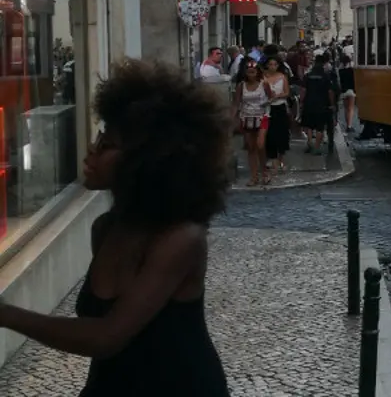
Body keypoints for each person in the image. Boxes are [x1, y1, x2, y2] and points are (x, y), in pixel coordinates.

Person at [0, 60, 231, 395]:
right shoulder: (105, 227)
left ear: (148, 159)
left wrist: (6, 314)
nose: (91, 151)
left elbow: (107, 337)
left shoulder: (182, 238)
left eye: (106, 145)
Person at [234, 60, 273, 186]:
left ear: (257, 72)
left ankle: (265, 172)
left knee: (260, 145)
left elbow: (271, 97)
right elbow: (236, 103)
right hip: (247, 117)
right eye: (249, 72)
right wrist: (233, 117)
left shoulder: (264, 84)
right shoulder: (241, 86)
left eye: (253, 72)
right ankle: (254, 176)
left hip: (263, 117)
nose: (251, 74)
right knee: (251, 147)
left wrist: (266, 103)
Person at [300, 54, 338, 153]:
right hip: (322, 104)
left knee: (309, 125)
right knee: (320, 127)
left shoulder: (307, 76)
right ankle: (317, 147)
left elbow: (303, 90)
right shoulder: (326, 76)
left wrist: (301, 102)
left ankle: (309, 143)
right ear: (323, 64)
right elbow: (330, 92)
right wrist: (332, 104)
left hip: (309, 103)